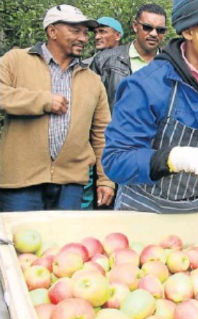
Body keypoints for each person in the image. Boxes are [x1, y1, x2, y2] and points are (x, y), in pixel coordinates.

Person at [101, 0, 198, 221]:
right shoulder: (146, 86)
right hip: (144, 214)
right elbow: (116, 159)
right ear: (189, 31)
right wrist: (174, 158)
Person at [0, 4, 114, 211]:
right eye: (75, 30)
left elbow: (103, 134)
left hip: (71, 183)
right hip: (21, 181)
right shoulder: (16, 60)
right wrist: (41, 101)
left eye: (85, 32)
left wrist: (106, 180)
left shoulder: (93, 80)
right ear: (52, 31)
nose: (83, 38)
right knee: (18, 241)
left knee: (66, 242)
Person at [90, 3, 167, 111]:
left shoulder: (173, 65)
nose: (154, 34)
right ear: (135, 26)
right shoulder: (104, 61)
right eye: (147, 27)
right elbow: (89, 106)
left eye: (160, 30)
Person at [81, 16, 124, 209]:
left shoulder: (128, 62)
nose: (97, 36)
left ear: (118, 35)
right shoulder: (86, 64)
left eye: (103, 31)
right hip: (93, 139)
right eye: (96, 32)